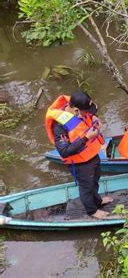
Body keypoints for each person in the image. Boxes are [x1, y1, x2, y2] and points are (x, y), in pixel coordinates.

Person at [45, 91, 112, 219]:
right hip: (80, 163)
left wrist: (94, 118)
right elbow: (64, 151)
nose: (89, 113)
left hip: (92, 155)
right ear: (76, 110)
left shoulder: (80, 109)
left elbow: (89, 116)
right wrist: (87, 138)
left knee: (95, 180)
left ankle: (97, 200)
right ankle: (92, 211)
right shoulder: (59, 126)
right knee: (86, 187)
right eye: (87, 112)